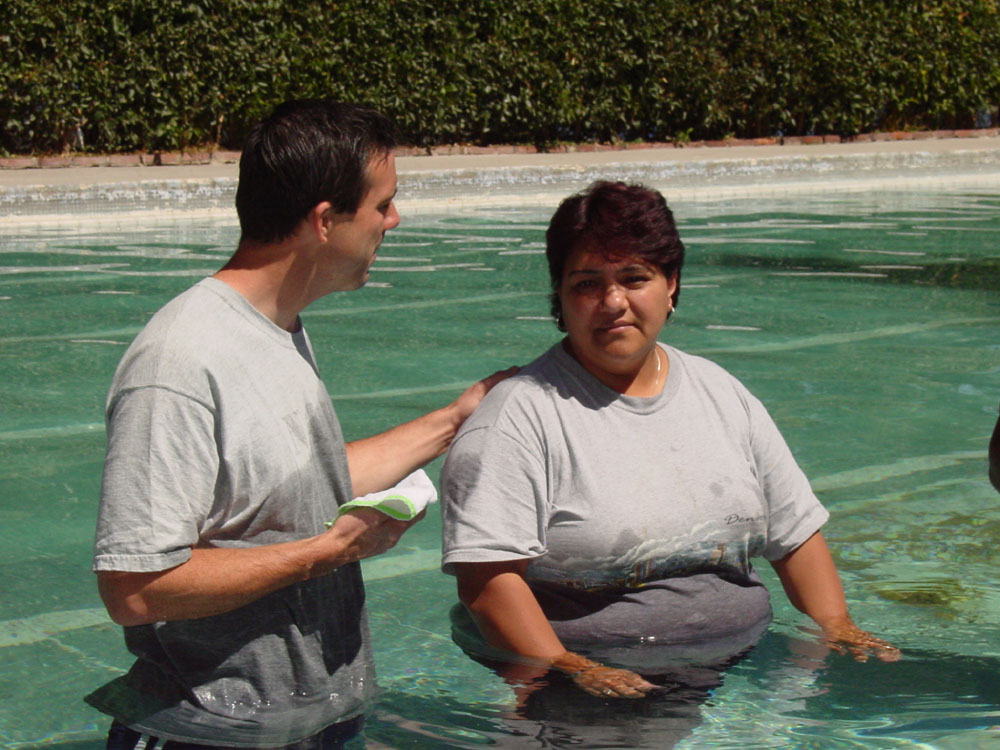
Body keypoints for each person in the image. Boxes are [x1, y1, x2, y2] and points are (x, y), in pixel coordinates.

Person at [86, 99, 512, 749]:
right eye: (381, 205)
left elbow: (294, 484)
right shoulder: (177, 363)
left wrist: (453, 420)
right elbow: (136, 587)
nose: (393, 221)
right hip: (211, 733)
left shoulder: (276, 331)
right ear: (323, 221)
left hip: (300, 723)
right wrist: (327, 553)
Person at [440, 180, 899, 704]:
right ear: (560, 296)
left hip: (743, 662)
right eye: (587, 283)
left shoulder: (721, 392)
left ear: (671, 284)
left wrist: (838, 628)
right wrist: (571, 669)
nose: (613, 302)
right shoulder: (519, 418)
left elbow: (794, 533)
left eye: (635, 278)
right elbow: (486, 582)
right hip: (596, 685)